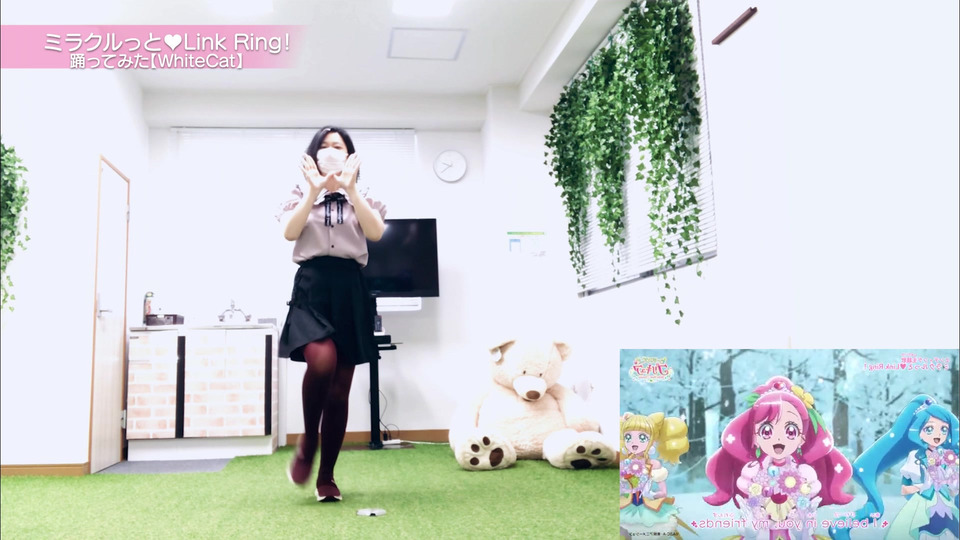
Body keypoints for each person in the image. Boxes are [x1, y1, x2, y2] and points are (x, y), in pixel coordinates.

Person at [276, 126, 387, 502]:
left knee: (339, 392)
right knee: (321, 361)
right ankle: (309, 440)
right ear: (313, 156)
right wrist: (313, 191)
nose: (330, 151)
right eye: (323, 146)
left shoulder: (366, 195)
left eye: (337, 146)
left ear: (350, 155)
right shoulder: (298, 194)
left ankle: (327, 476)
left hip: (350, 288)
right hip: (313, 285)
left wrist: (352, 190)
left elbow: (375, 233)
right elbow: (290, 233)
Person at [704, 376, 853, 540]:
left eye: (791, 431)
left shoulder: (804, 474)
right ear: (755, 438)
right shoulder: (753, 473)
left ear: (801, 439)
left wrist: (804, 521)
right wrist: (750, 523)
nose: (779, 438)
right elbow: (751, 531)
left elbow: (803, 532)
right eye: (767, 431)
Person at [828, 395, 959, 540]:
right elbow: (906, 489)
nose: (937, 435)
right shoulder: (914, 453)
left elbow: (951, 487)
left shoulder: (941, 456)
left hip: (941, 503)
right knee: (881, 512)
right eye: (929, 429)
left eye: (944, 429)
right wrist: (924, 487)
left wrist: (949, 483)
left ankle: (840, 527)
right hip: (874, 474)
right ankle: (840, 526)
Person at [619, 412, 695, 538]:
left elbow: (663, 491)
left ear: (652, 441)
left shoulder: (653, 465)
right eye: (628, 437)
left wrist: (653, 494)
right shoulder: (623, 464)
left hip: (645, 504)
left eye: (642, 437)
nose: (634, 442)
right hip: (625, 504)